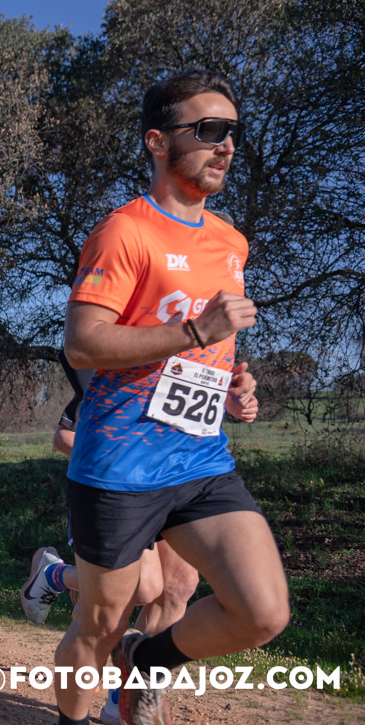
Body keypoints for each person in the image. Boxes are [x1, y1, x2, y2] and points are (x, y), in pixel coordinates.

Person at [50, 70, 287, 725]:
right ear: (158, 141)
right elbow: (83, 343)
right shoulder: (125, 232)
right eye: (209, 130)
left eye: (232, 132)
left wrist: (231, 384)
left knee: (263, 611)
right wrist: (196, 332)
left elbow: (204, 349)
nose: (226, 145)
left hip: (200, 459)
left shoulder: (231, 242)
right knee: (98, 626)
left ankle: (148, 659)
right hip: (120, 467)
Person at [24, 351, 201, 725]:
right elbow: (64, 437)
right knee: (140, 588)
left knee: (179, 586)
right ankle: (54, 574)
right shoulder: (126, 361)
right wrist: (129, 463)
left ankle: (124, 699)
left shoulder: (190, 364)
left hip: (176, 485)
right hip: (121, 489)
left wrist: (237, 396)